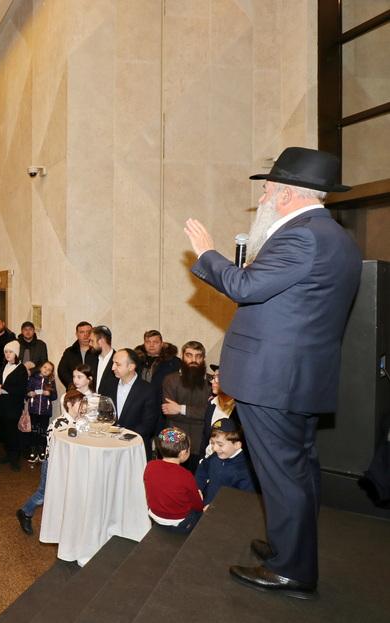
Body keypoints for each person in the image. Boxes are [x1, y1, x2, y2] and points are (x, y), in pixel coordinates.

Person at [185, 147, 361, 596]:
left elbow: (244, 288)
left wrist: (207, 253)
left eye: (266, 191)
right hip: (297, 378)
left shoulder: (302, 236)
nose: (262, 199)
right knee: (298, 469)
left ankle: (293, 571)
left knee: (282, 474)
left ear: (286, 194)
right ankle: (291, 550)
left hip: (273, 380)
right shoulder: (334, 236)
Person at [16, 389, 86, 535]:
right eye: (80, 403)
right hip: (54, 463)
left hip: (68, 463)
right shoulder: (59, 424)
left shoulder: (80, 422)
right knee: (44, 493)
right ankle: (25, 512)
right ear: (69, 404)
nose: (84, 407)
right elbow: (57, 448)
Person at [161, 340, 212, 469]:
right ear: (182, 357)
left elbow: (210, 414)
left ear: (203, 358)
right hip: (174, 442)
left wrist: (180, 409)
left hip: (201, 442)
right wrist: (199, 415)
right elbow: (169, 413)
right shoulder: (170, 380)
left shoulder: (211, 383)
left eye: (198, 356)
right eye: (189, 355)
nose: (193, 360)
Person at [144, 428, 203, 534]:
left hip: (155, 515)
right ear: (183, 452)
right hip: (179, 522)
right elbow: (197, 505)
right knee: (199, 511)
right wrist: (200, 499)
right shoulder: (185, 475)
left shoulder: (150, 465)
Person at [108, 349, 159, 460]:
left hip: (135, 449)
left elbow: (148, 425)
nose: (112, 368)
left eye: (117, 364)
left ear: (131, 367)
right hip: (110, 448)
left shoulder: (148, 390)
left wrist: (122, 437)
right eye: (113, 363)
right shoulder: (109, 385)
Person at [195, 418, 256, 505]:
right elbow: (203, 469)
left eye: (220, 445)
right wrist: (198, 488)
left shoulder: (245, 471)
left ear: (237, 445)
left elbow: (244, 501)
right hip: (206, 504)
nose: (215, 448)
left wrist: (216, 507)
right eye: (212, 443)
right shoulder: (216, 456)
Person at [0, 341, 28, 471]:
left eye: (10, 352)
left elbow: (21, 389)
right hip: (2, 405)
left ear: (16, 353)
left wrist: (4, 389)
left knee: (14, 432)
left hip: (14, 405)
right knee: (5, 432)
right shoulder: (4, 366)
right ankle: (8, 455)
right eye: (6, 352)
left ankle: (15, 459)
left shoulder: (21, 369)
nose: (8, 354)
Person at [25, 361, 57, 463]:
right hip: (33, 410)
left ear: (51, 372)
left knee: (43, 432)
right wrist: (29, 394)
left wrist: (49, 394)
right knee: (34, 431)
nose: (46, 370)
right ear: (40, 367)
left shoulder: (51, 381)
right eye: (45, 367)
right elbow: (27, 391)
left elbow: (54, 396)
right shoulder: (33, 378)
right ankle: (33, 450)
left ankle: (42, 450)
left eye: (49, 370)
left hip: (45, 411)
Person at [57, 321, 97, 389]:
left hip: (95, 391)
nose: (86, 335)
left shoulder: (97, 351)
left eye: (88, 332)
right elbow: (62, 371)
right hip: (75, 391)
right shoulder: (69, 352)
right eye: (82, 332)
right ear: (77, 334)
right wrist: (73, 384)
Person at [91, 326, 118, 396]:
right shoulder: (91, 359)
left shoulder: (118, 362)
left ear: (101, 341)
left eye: (92, 341)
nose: (90, 344)